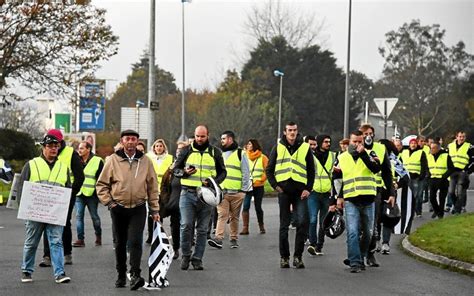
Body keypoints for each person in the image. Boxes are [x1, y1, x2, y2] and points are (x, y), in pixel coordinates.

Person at [96, 129, 160, 290]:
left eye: (134, 139)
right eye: (127, 139)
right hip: (118, 207)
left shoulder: (145, 161)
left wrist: (155, 210)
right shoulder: (112, 160)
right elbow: (102, 185)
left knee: (135, 241)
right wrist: (109, 203)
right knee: (120, 243)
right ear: (122, 141)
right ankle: (120, 275)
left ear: (138, 142)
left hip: (138, 207)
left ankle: (135, 275)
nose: (131, 142)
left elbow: (153, 187)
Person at [19, 133, 72, 283]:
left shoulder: (63, 167)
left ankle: (59, 273)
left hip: (55, 212)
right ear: (43, 147)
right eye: (50, 146)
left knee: (56, 241)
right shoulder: (32, 164)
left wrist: (64, 207)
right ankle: (26, 271)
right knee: (31, 242)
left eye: (56, 146)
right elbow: (22, 186)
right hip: (35, 211)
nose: (54, 149)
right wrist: (24, 208)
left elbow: (67, 188)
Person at [173, 125, 226, 270]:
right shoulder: (186, 151)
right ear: (194, 136)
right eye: (197, 136)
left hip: (207, 195)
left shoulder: (215, 152)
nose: (199, 139)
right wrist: (184, 172)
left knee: (202, 230)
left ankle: (197, 259)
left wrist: (213, 182)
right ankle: (186, 255)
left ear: (208, 136)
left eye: (202, 136)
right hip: (188, 193)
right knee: (186, 226)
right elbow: (175, 170)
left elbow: (223, 173)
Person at [266, 122, 315, 269]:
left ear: (297, 131)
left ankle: (298, 256)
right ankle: (284, 257)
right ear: (285, 132)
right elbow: (269, 169)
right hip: (285, 191)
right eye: (289, 130)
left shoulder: (305, 147)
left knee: (302, 222)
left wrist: (308, 188)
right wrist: (275, 186)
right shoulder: (279, 147)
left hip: (300, 192)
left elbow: (311, 171)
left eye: (294, 130)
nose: (292, 133)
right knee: (284, 225)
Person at [331, 130, 381, 273]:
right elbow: (337, 179)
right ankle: (355, 262)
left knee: (368, 233)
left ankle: (361, 255)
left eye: (360, 141)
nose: (358, 144)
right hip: (351, 199)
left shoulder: (371, 154)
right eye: (355, 141)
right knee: (352, 232)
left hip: (368, 199)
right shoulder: (342, 157)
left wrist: (364, 154)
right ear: (349, 142)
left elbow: (376, 169)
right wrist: (337, 198)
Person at [40, 129, 84, 267]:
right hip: (47, 194)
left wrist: (71, 192)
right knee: (47, 222)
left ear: (60, 142)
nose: (53, 146)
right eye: (50, 143)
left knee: (64, 223)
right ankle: (47, 256)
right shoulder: (44, 152)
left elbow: (79, 176)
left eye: (55, 143)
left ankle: (67, 254)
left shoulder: (70, 153)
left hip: (65, 194)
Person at [208, 131, 252, 249]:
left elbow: (246, 173)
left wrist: (243, 191)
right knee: (222, 215)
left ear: (230, 139)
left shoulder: (240, 153)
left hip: (237, 192)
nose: (221, 141)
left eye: (223, 138)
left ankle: (233, 238)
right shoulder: (219, 154)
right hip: (222, 192)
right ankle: (219, 238)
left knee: (234, 217)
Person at [359, 124, 395, 267]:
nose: (368, 136)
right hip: (356, 191)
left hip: (375, 192)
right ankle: (357, 256)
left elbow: (387, 172)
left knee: (372, 226)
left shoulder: (380, 149)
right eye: (365, 133)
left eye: (371, 133)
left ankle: (370, 254)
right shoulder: (355, 148)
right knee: (358, 228)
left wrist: (391, 192)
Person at [307, 134, 335, 256]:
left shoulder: (333, 156)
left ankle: (319, 245)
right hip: (314, 192)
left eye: (329, 142)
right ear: (319, 143)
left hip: (327, 194)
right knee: (312, 219)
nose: (328, 144)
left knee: (324, 222)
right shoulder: (311, 157)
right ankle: (312, 244)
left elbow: (336, 176)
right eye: (325, 142)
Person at [72, 141, 104, 247]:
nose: (79, 150)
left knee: (94, 217)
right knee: (78, 216)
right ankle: (80, 240)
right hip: (79, 193)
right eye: (79, 148)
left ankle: (98, 236)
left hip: (92, 195)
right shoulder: (76, 160)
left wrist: (98, 193)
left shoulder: (98, 161)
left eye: (81, 148)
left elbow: (101, 178)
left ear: (88, 149)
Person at [145, 139, 174, 244]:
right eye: (157, 146)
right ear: (154, 147)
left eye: (161, 146)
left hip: (164, 190)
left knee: (159, 213)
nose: (158, 148)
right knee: (150, 213)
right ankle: (150, 235)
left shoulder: (169, 158)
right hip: (151, 188)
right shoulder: (148, 157)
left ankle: (158, 234)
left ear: (164, 147)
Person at [240, 139, 269, 235]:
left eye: (250, 144)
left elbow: (267, 171)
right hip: (248, 186)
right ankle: (245, 228)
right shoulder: (244, 156)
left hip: (259, 186)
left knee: (258, 207)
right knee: (246, 206)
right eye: (247, 144)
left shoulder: (263, 157)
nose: (248, 145)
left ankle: (261, 226)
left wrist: (261, 180)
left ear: (255, 145)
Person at [427, 138, 455, 219]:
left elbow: (451, 168)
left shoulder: (446, 156)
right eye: (431, 148)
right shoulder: (429, 156)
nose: (431, 150)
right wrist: (428, 175)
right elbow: (426, 167)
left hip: (443, 179)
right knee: (432, 198)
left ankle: (440, 214)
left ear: (438, 148)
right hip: (433, 179)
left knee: (442, 198)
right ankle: (437, 210)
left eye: (433, 148)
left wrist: (444, 176)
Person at [400, 138, 428, 217]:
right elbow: (401, 163)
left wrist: (421, 176)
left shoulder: (421, 152)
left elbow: (424, 165)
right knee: (407, 195)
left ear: (417, 144)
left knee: (417, 195)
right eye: (411, 143)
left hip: (416, 177)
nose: (413, 144)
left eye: (414, 143)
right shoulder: (404, 152)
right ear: (409, 144)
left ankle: (418, 211)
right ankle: (409, 211)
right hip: (406, 177)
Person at [447, 131, 473, 214]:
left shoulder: (469, 146)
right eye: (460, 136)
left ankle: (459, 209)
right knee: (451, 192)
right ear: (456, 137)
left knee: (460, 192)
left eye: (463, 137)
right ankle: (456, 206)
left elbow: (472, 160)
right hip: (452, 172)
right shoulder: (450, 146)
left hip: (462, 172)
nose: (462, 138)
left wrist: (468, 170)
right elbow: (446, 158)